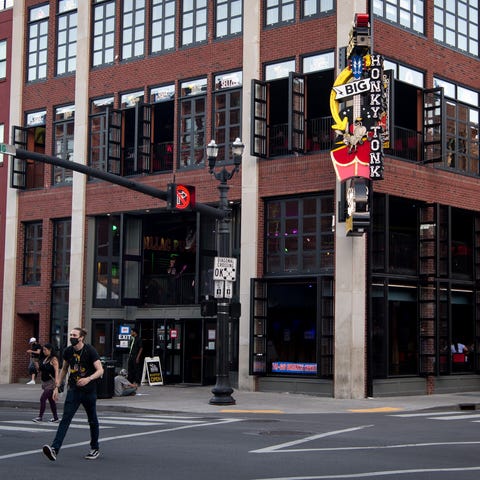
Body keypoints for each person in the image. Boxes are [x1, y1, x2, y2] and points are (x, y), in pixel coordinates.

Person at [42, 327, 104, 462]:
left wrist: (88, 379)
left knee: (92, 419)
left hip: (89, 390)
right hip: (74, 390)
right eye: (70, 334)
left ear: (81, 337)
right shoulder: (68, 351)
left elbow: (100, 370)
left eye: (74, 335)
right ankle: (54, 449)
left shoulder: (90, 350)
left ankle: (95, 448)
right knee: (65, 419)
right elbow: (64, 369)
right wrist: (57, 387)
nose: (72, 337)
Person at [32, 343, 60, 423]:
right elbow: (40, 369)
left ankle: (40, 417)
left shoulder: (53, 359)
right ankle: (55, 418)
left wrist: (57, 384)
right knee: (51, 401)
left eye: (45, 350)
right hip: (45, 382)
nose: (43, 351)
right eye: (43, 350)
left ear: (50, 350)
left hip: (51, 382)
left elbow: (56, 371)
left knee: (43, 398)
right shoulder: (45, 358)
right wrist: (36, 364)